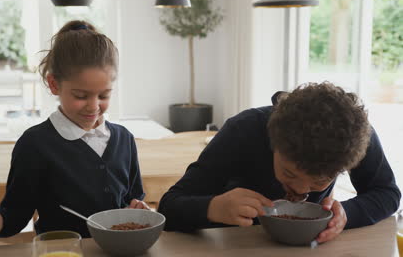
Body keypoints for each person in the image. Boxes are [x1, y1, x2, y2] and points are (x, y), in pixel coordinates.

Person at [0, 20, 149, 238]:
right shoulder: (35, 144)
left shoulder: (124, 139)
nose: (94, 106)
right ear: (54, 84)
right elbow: (15, 216)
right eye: (81, 96)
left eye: (104, 95)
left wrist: (138, 210)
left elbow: (134, 198)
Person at [158, 82, 401, 244]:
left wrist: (347, 213)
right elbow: (169, 207)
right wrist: (213, 207)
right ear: (273, 143)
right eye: (289, 173)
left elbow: (387, 193)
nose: (301, 191)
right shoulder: (244, 129)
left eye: (319, 182)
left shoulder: (352, 135)